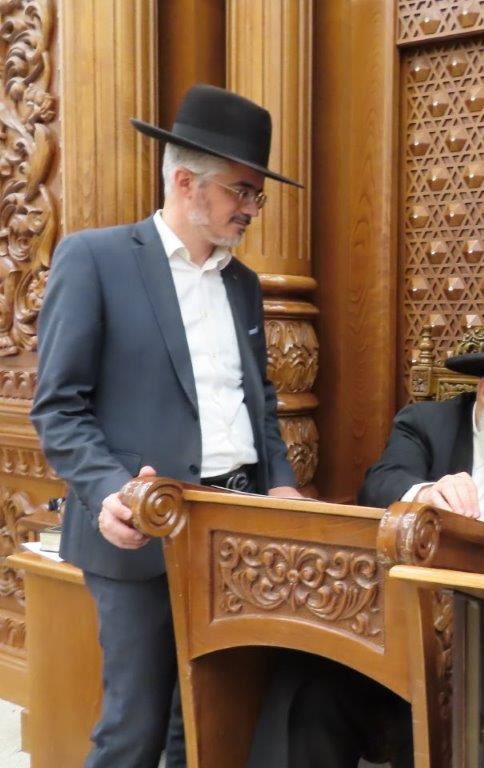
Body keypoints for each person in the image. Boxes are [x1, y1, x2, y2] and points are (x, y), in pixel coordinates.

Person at [31, 84, 302, 768]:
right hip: (141, 528)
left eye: (257, 194)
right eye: (242, 190)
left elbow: (259, 400)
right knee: (136, 729)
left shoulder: (243, 284)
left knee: (208, 726)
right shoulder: (94, 260)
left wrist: (280, 484)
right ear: (186, 182)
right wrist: (112, 490)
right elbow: (58, 407)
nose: (252, 207)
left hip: (235, 528)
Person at [247, 308, 484, 768]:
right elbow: (380, 482)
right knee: (312, 686)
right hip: (402, 619)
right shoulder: (427, 422)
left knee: (465, 721)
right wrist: (426, 494)